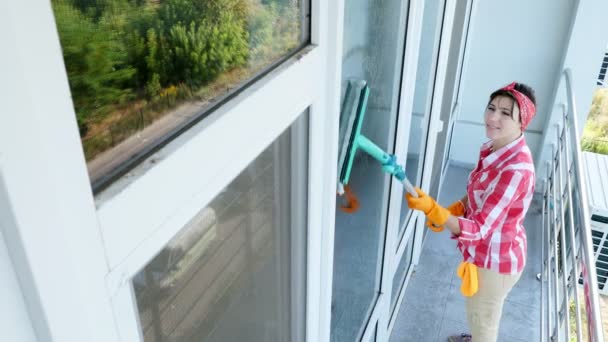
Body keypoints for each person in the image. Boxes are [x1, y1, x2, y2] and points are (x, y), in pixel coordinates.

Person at [406, 82, 537, 342]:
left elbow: (478, 231)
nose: (492, 117)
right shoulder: (495, 147)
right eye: (491, 108)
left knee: (484, 322)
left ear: (523, 122)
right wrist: (455, 208)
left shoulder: (515, 170)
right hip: (488, 254)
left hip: (495, 263)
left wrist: (436, 211)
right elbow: (480, 193)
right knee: (477, 314)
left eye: (505, 113)